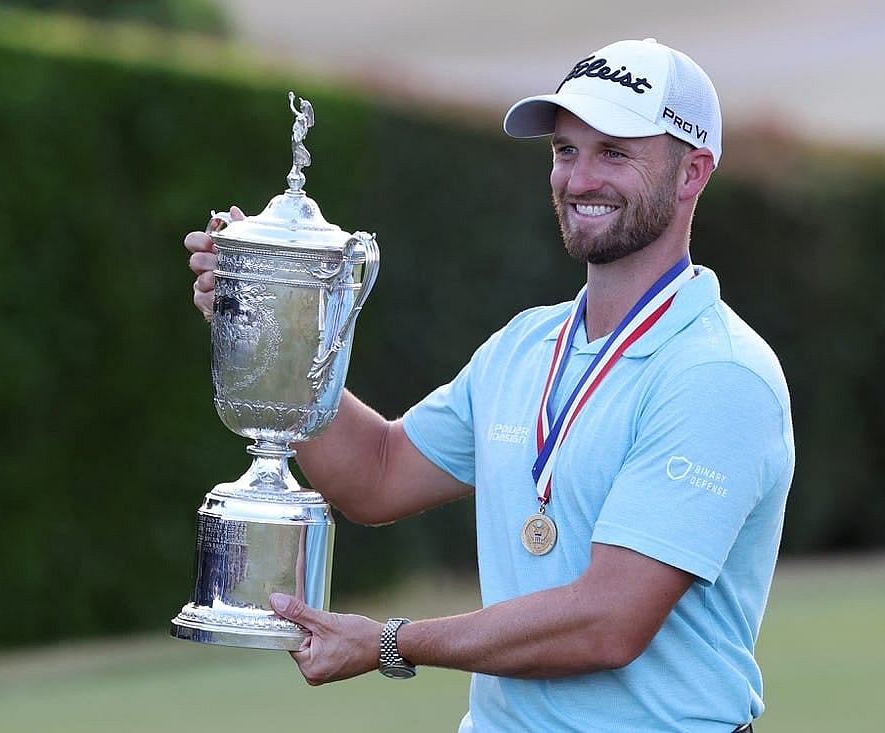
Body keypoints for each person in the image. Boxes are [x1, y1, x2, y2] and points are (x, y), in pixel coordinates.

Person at [185, 37, 794, 733]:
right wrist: (271, 316)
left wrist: (391, 641)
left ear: (693, 173)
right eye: (566, 150)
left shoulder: (718, 373)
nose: (580, 177)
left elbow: (607, 622)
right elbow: (376, 474)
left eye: (615, 152)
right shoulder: (525, 345)